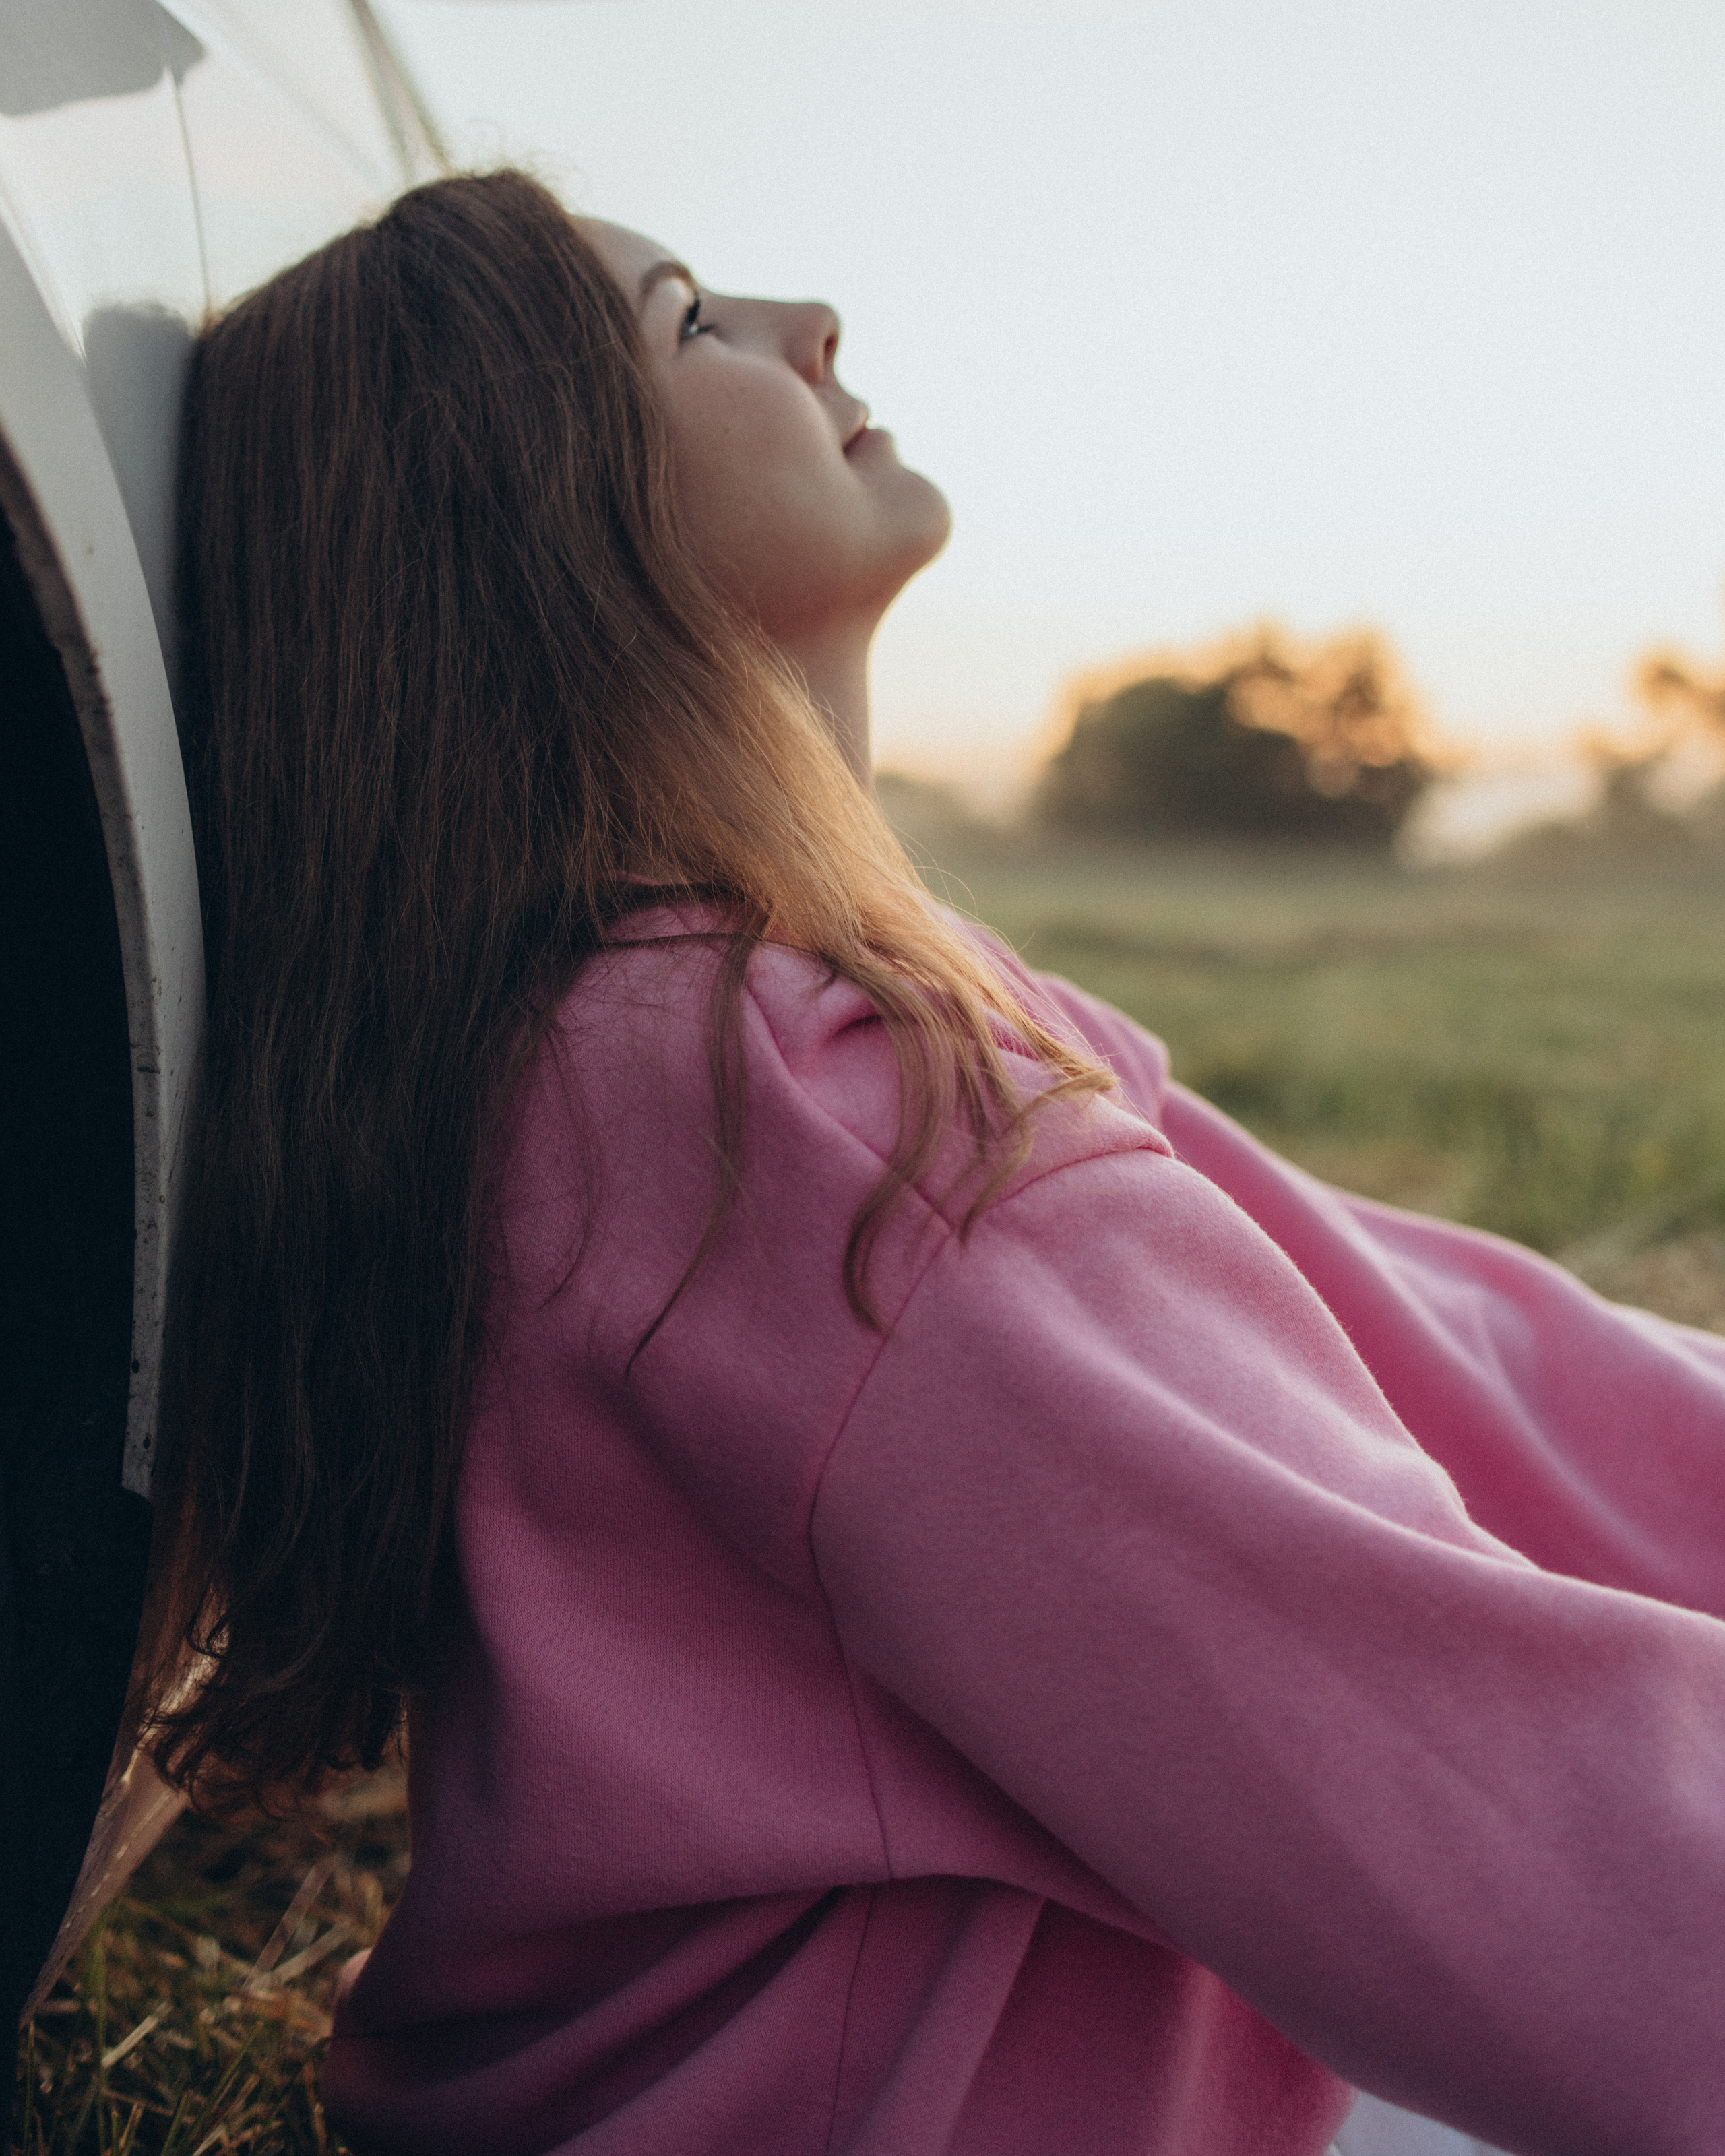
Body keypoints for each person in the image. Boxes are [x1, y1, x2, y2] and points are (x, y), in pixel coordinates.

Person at [154, 170, 1725, 2156]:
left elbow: (1424, 1348)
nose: (810, 319)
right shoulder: (780, 1106)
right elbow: (1496, 1806)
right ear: (529, 518)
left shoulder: (770, 1029)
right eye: (690, 323)